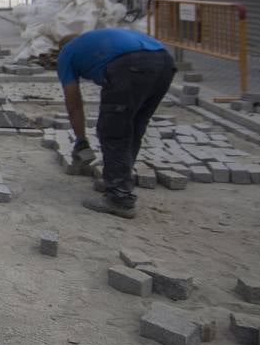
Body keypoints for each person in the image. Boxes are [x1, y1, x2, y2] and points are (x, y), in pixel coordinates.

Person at [57, 27, 176, 219]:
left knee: (113, 130)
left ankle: (119, 198)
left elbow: (73, 104)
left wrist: (81, 140)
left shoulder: (67, 53)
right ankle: (116, 179)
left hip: (130, 67)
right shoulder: (96, 39)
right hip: (165, 63)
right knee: (135, 125)